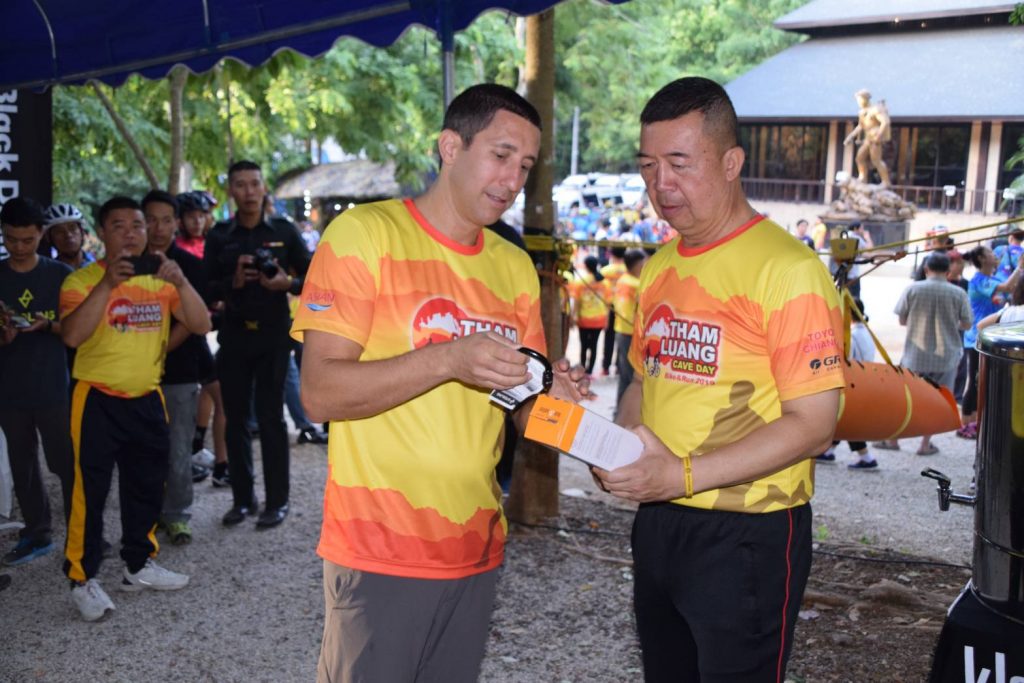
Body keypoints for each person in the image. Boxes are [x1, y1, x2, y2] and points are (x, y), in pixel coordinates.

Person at [292, 83, 589, 683]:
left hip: (476, 545)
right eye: (501, 155)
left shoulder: (513, 266)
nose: (513, 179)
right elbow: (319, 394)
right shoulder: (366, 235)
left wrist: (561, 402)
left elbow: (524, 410)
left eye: (526, 166)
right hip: (380, 548)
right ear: (451, 147)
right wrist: (447, 359)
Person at [593, 77, 845, 682]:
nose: (661, 184)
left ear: (732, 163)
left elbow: (815, 425)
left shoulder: (788, 269)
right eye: (648, 166)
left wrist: (679, 474)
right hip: (660, 519)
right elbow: (642, 382)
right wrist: (618, 450)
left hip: (747, 530)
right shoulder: (660, 267)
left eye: (680, 163)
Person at [60, 196, 211, 621]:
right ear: (101, 233)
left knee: (146, 485)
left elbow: (201, 324)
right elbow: (71, 336)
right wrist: (108, 285)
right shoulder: (81, 280)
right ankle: (81, 577)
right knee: (89, 493)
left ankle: (138, 564)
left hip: (147, 397)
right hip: (96, 398)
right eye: (119, 226)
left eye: (138, 226)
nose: (131, 234)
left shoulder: (160, 280)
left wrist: (181, 283)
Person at [204, 160, 311, 529]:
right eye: (241, 185)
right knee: (235, 420)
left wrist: (288, 285)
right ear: (230, 191)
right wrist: (231, 283)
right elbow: (205, 289)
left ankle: (276, 502)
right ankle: (242, 500)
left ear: (264, 188)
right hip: (234, 336)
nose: (249, 192)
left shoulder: (284, 231)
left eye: (255, 184)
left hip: (273, 337)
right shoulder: (219, 235)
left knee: (271, 419)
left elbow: (314, 275)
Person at [0, 197, 74, 566]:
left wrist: (48, 325)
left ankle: (82, 531)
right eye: (11, 239)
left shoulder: (61, 275)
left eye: (27, 240)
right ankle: (37, 531)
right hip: (9, 389)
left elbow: (78, 330)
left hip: (53, 387)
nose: (19, 247)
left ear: (42, 234)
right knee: (23, 463)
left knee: (67, 461)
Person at [142, 190, 211, 544]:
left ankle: (178, 514)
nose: (159, 228)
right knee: (142, 449)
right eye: (151, 220)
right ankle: (146, 513)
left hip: (179, 369)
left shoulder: (189, 264)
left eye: (166, 220)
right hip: (133, 373)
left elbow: (195, 319)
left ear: (176, 223)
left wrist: (158, 349)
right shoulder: (128, 264)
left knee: (178, 448)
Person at [875, 253, 972, 455]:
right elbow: (967, 324)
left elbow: (902, 320)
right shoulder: (958, 293)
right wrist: (950, 323)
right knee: (938, 401)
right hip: (946, 356)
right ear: (948, 271)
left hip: (915, 356)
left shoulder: (913, 289)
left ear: (926, 269)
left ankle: (893, 440)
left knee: (905, 399)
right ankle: (925, 444)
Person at [958, 244, 1024, 438]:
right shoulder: (978, 280)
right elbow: (1007, 287)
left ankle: (977, 421)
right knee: (975, 380)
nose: (994, 255)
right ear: (981, 259)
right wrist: (1020, 268)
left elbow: (1012, 287)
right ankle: (965, 423)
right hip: (977, 337)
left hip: (993, 338)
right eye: (989, 253)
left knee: (985, 382)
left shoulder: (994, 278)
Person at [816, 297, 878, 469]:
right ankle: (829, 451)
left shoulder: (852, 335)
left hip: (853, 383)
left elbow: (846, 360)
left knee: (847, 421)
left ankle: (866, 457)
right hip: (864, 380)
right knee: (843, 420)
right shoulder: (866, 332)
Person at [612, 248, 645, 417]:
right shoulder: (632, 284)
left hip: (625, 331)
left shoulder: (625, 280)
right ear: (636, 265)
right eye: (642, 263)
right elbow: (626, 312)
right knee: (629, 376)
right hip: (629, 333)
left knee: (627, 374)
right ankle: (622, 414)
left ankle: (621, 412)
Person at [843, 89, 892, 186]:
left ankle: (886, 182)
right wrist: (850, 137)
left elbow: (885, 122)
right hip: (868, 138)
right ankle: (862, 177)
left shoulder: (876, 109)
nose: (858, 102)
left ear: (865, 99)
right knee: (860, 158)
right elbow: (860, 126)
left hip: (875, 138)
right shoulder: (862, 112)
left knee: (876, 161)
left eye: (859, 99)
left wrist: (878, 136)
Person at [571, 255, 610, 375]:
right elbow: (608, 304)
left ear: (586, 266)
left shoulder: (580, 282)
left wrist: (573, 316)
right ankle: (590, 371)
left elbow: (577, 302)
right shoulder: (605, 282)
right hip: (599, 319)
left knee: (583, 345)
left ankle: (582, 368)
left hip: (584, 319)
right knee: (594, 346)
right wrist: (607, 321)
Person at [599, 246, 628, 376]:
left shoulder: (605, 271)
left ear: (611, 254)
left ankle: (605, 367)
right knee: (622, 336)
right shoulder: (628, 270)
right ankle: (618, 367)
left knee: (609, 337)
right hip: (624, 307)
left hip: (609, 307)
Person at [43, 204, 96, 270]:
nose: (68, 235)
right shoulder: (47, 272)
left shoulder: (100, 267)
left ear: (82, 232)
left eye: (72, 228)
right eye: (59, 231)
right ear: (48, 238)